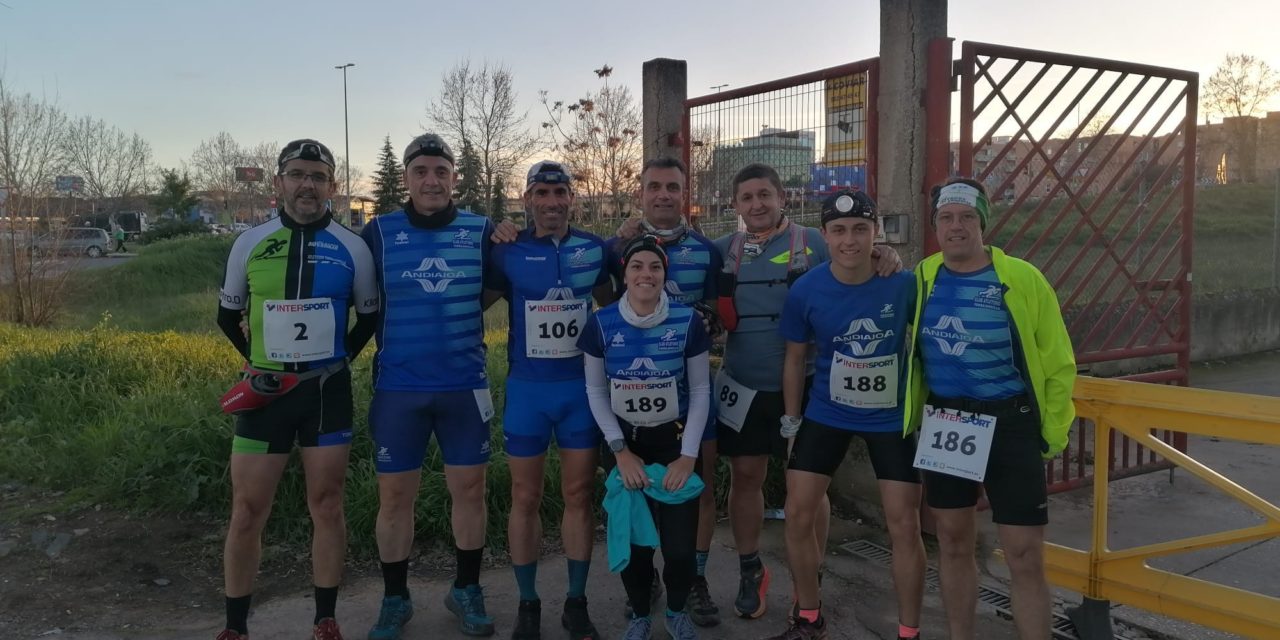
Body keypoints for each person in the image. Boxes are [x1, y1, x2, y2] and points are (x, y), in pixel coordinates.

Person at [712, 163, 901, 620]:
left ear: (782, 198)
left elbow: (856, 256)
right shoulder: (721, 250)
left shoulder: (814, 242)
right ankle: (750, 568)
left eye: (765, 195)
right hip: (742, 383)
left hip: (811, 383)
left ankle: (808, 581)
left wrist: (885, 255)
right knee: (746, 478)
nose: (757, 204)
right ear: (735, 205)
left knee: (809, 493)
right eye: (747, 197)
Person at [214, 138, 379, 640]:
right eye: (298, 174)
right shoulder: (249, 242)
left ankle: (324, 620)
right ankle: (235, 627)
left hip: (325, 395)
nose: (308, 184)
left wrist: (336, 363)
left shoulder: (353, 246)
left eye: (318, 176)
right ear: (280, 181)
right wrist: (258, 365)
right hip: (267, 394)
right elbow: (227, 316)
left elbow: (368, 318)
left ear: (332, 185)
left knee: (327, 504)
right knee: (246, 510)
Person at [906, 177, 1076, 640]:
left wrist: (1052, 433)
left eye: (966, 217)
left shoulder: (1021, 278)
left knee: (1023, 554)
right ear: (936, 225)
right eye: (946, 217)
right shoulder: (922, 277)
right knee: (954, 542)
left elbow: (1060, 362)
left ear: (982, 222)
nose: (956, 226)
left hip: (1010, 421)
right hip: (947, 420)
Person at [361, 133, 502, 639]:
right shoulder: (378, 232)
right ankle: (395, 599)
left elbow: (493, 287)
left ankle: (465, 589)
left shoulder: (481, 230)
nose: (431, 180)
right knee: (395, 498)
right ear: (407, 178)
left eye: (441, 171)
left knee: (470, 489)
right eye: (421, 171)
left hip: (464, 386)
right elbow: (358, 298)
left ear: (453, 178)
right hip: (400, 389)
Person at [771, 191, 924, 640]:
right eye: (839, 230)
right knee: (798, 511)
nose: (850, 240)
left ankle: (909, 631)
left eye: (860, 229)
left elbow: (927, 343)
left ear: (876, 233)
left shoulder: (904, 283)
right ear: (825, 236)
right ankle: (808, 616)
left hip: (889, 420)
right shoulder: (807, 289)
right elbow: (795, 359)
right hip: (828, 413)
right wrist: (791, 421)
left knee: (904, 523)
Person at [486, 160, 612, 640]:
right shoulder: (508, 251)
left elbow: (613, 303)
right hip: (528, 391)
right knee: (525, 496)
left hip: (579, 391)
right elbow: (473, 301)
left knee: (579, 495)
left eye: (560, 193)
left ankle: (576, 603)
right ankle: (528, 604)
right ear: (528, 200)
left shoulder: (594, 249)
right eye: (542, 193)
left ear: (572, 200)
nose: (552, 202)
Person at [579, 235, 712, 640]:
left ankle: (675, 612)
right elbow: (596, 392)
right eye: (637, 266)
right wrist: (620, 453)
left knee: (678, 549)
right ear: (624, 273)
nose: (646, 274)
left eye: (655, 267)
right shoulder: (601, 324)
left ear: (664, 275)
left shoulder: (687, 321)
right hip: (626, 446)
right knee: (636, 545)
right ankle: (639, 614)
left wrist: (688, 457)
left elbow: (702, 391)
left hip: (676, 445)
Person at [609, 156, 723, 627]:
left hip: (691, 394)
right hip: (631, 394)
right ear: (641, 193)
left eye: (672, 187)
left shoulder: (707, 250)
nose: (662, 195)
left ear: (684, 193)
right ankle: (646, 579)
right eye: (653, 186)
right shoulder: (616, 247)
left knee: (701, 484)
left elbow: (719, 316)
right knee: (638, 490)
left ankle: (692, 576)